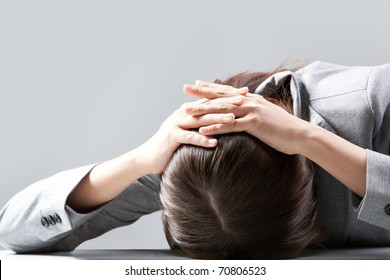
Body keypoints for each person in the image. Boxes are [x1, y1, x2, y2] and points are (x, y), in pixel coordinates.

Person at [1, 61, 390, 259]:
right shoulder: (197, 171)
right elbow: (11, 231)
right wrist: (140, 160)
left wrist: (309, 139)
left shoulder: (372, 100)